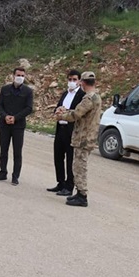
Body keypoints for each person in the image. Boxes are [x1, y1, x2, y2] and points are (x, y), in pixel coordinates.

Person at [55, 71, 102, 207]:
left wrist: (62, 116)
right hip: (87, 136)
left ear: (83, 82)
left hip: (83, 138)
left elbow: (76, 114)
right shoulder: (96, 97)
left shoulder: (89, 99)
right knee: (78, 165)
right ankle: (79, 192)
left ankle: (82, 195)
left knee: (79, 167)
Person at [46, 70, 85, 196]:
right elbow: (57, 107)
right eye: (70, 79)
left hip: (72, 131)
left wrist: (67, 112)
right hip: (60, 129)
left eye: (74, 79)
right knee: (58, 157)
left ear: (79, 81)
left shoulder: (81, 95)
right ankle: (60, 183)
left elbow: (79, 112)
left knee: (70, 160)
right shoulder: (65, 94)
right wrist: (57, 110)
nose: (72, 82)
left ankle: (69, 186)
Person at [0, 67, 34, 185]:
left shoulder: (28, 91)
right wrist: (5, 116)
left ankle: (15, 176)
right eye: (18, 75)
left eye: (22, 76)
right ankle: (2, 172)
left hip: (18, 126)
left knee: (17, 152)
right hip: (4, 124)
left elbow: (29, 108)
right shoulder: (5, 89)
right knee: (3, 150)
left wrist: (15, 118)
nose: (20, 77)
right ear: (13, 75)